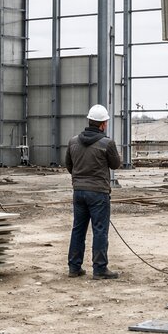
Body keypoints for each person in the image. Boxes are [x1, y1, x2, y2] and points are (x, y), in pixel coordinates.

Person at [65, 104, 122, 279]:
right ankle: (99, 269)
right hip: (98, 193)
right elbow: (115, 164)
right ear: (103, 124)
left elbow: (69, 165)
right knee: (99, 230)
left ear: (89, 121)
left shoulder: (73, 141)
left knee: (78, 229)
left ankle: (74, 268)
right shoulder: (107, 143)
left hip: (79, 192)